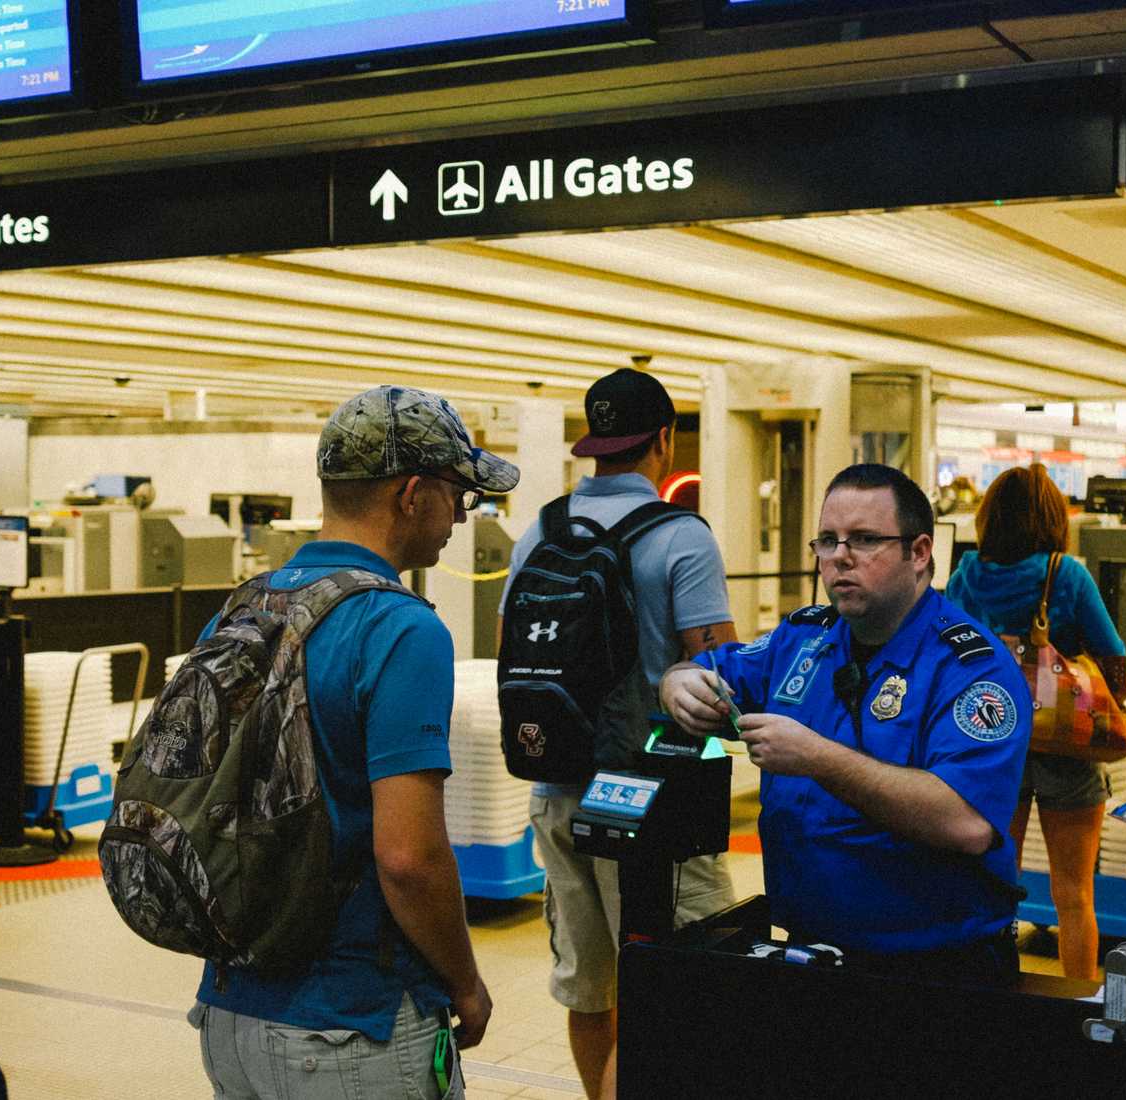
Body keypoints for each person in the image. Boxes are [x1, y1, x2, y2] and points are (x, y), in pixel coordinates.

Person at [189, 385, 515, 1099]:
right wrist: (465, 982)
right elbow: (408, 857)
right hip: (352, 1027)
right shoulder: (400, 628)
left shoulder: (243, 608)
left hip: (229, 1014)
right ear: (412, 495)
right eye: (458, 494)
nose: (462, 515)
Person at [662, 463, 1030, 985]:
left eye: (864, 539)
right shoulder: (804, 640)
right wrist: (678, 683)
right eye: (828, 541)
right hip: (810, 950)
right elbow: (710, 669)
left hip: (934, 967)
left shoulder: (971, 668)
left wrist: (818, 758)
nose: (840, 556)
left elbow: (965, 823)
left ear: (919, 552)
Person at [497, 367, 736, 1100]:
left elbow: (511, 649)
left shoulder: (541, 530)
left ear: (593, 444)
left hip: (556, 789)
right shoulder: (681, 536)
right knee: (676, 984)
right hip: (651, 802)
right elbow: (720, 673)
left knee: (589, 987)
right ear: (664, 440)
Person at [944, 464, 1126, 980]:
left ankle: (997, 992)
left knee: (998, 885)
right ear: (1050, 518)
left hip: (993, 747)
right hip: (1067, 747)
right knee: (1075, 893)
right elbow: (1114, 656)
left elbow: (945, 654)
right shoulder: (1065, 574)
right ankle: (1081, 1004)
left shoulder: (966, 576)